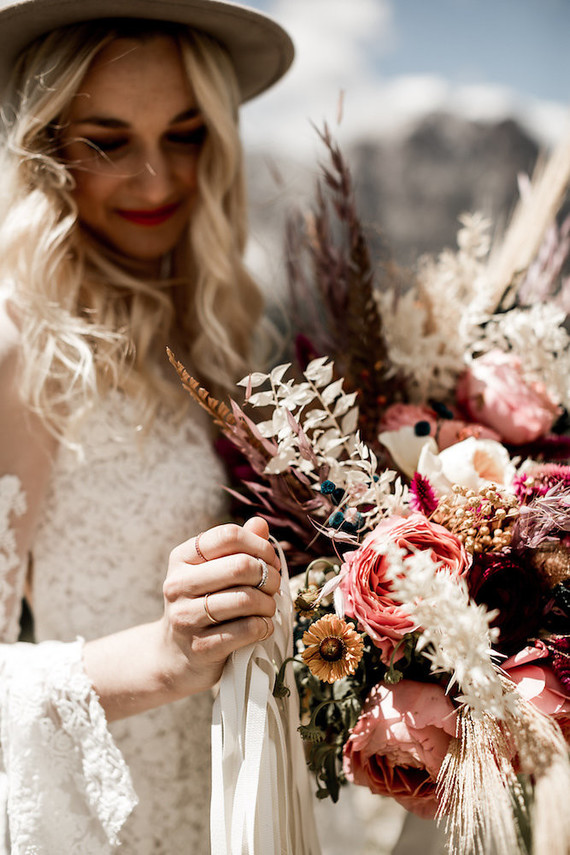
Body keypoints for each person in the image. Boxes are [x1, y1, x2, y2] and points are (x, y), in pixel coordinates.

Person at [0, 1, 294, 852]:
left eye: (188, 133)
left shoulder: (221, 333)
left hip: (243, 808)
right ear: (47, 145)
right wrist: (166, 655)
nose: (159, 180)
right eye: (108, 140)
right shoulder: (22, 347)